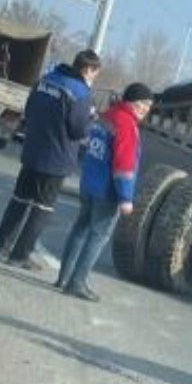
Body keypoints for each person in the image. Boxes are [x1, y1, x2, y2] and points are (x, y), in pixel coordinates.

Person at [0, 49, 101, 269]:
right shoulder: (80, 93)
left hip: (32, 151)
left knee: (19, 201)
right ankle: (20, 255)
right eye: (95, 73)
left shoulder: (45, 80)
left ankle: (0, 248)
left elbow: (29, 110)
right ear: (89, 69)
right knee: (41, 209)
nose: (94, 77)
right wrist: (91, 118)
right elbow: (79, 130)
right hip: (57, 159)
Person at [55, 83, 153, 302]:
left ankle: (64, 277)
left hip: (88, 184)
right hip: (106, 190)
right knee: (98, 235)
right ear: (132, 102)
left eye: (148, 106)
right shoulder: (127, 125)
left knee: (80, 229)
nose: (146, 109)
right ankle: (77, 282)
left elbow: (87, 147)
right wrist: (126, 198)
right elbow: (124, 165)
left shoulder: (106, 117)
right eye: (144, 104)